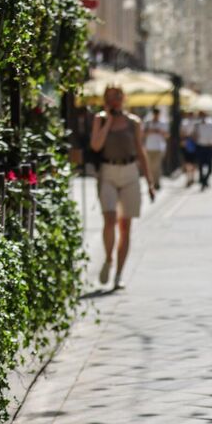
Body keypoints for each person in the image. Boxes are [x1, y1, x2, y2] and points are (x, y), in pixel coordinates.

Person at [89, 85, 155, 290]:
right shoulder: (99, 119)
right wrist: (108, 121)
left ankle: (119, 274)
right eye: (110, 97)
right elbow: (96, 146)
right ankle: (108, 259)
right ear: (105, 100)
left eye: (118, 96)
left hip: (129, 173)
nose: (115, 100)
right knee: (109, 220)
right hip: (108, 172)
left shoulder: (133, 122)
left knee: (125, 226)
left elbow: (140, 150)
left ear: (124, 98)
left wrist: (150, 181)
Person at [192, 111, 212, 190]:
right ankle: (202, 180)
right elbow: (194, 136)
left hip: (209, 147)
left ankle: (205, 179)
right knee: (201, 165)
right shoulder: (197, 125)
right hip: (200, 146)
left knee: (210, 166)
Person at [142, 105, 169, 189]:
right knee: (150, 166)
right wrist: (151, 131)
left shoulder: (163, 123)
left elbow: (167, 135)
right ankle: (152, 182)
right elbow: (143, 134)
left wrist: (160, 132)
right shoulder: (147, 123)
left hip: (159, 147)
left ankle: (157, 182)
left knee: (157, 165)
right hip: (149, 147)